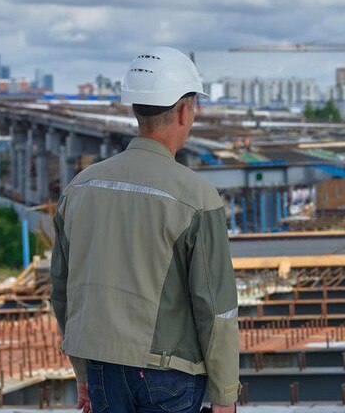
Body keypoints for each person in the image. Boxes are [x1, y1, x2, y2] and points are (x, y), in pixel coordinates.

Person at [51, 47, 239, 413]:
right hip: (170, 375)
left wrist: (83, 372)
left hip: (102, 368)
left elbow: (62, 290)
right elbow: (217, 310)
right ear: (186, 111)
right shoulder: (197, 196)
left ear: (135, 108)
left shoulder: (80, 188)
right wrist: (225, 397)